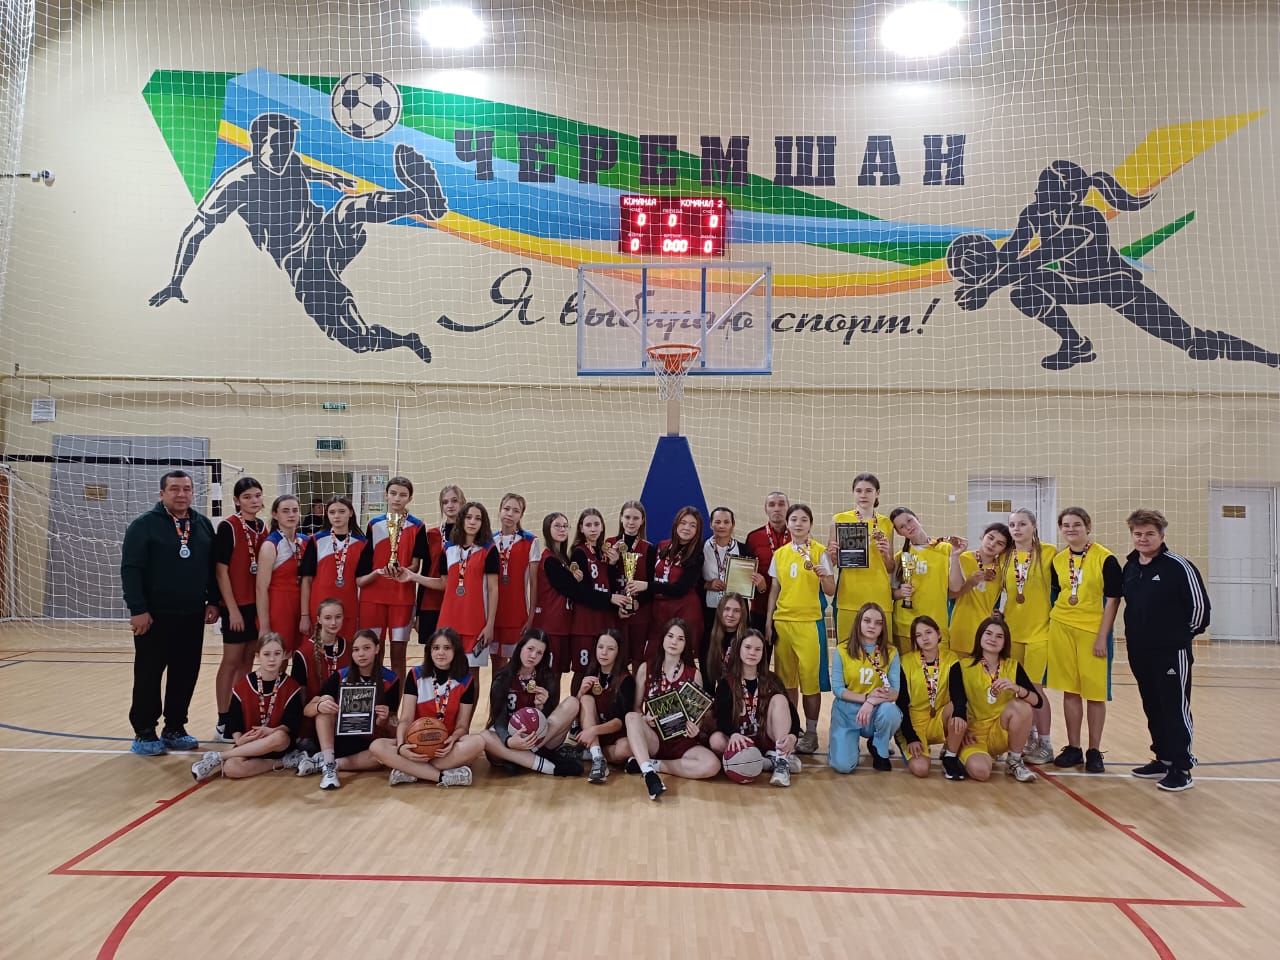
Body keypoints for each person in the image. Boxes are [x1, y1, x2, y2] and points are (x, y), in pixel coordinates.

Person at [149, 118, 444, 362]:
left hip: (326, 236)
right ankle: (407, 340)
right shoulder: (236, 183)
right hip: (300, 263)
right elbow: (196, 231)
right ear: (258, 144)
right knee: (357, 340)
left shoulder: (291, 160)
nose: (285, 148)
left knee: (347, 209)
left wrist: (330, 177)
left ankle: (422, 202)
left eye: (289, 141)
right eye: (278, 142)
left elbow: (304, 169)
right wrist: (176, 280)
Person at [121, 470, 220, 755]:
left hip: (191, 615)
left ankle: (175, 727)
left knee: (185, 673)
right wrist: (138, 609)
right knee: (149, 674)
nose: (181, 494)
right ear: (162, 493)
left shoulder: (202, 525)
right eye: (174, 489)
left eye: (186, 489)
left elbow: (212, 568)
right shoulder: (143, 525)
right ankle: (144, 732)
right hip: (154, 616)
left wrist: (213, 601)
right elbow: (131, 570)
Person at [1121, 508, 1210, 792]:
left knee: (1174, 706)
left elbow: (1200, 610)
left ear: (1161, 535)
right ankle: (1163, 758)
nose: (1143, 538)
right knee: (1153, 704)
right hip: (1139, 651)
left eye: (1149, 533)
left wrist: (1178, 638)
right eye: (1138, 534)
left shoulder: (1178, 566)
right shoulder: (1130, 567)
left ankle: (1181, 767)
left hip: (1171, 652)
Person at [1047, 507, 1123, 773]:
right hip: (1061, 627)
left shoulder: (1105, 558)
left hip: (1092, 631)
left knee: (1095, 693)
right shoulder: (1058, 560)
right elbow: (1056, 594)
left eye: (1076, 524)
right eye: (1066, 525)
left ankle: (1094, 750)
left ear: (1087, 527)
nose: (1071, 529)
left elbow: (1113, 600)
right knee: (1070, 691)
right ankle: (1073, 748)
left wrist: (1103, 636)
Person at [369, 626, 486, 787]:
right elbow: (406, 719)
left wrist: (453, 738)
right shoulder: (415, 675)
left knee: (478, 742)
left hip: (445, 747)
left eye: (447, 648)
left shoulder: (466, 680)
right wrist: (402, 746)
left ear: (456, 651)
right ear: (429, 651)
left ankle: (411, 770)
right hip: (415, 743)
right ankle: (442, 776)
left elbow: (462, 726)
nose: (440, 653)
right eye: (436, 648)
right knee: (377, 746)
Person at [764, 503, 835, 754]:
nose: (798, 523)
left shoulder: (820, 552)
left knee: (810, 684)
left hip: (809, 624)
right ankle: (793, 729)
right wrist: (769, 621)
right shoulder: (780, 554)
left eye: (803, 519)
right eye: (794, 519)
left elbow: (831, 590)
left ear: (810, 524)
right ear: (788, 523)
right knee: (787, 683)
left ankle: (812, 733)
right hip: (783, 624)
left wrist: (824, 577)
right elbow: (775, 589)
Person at [623, 618, 720, 800]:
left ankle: (654, 765)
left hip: (681, 741)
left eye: (680, 638)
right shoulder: (646, 668)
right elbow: (636, 707)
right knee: (631, 717)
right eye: (670, 636)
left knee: (712, 765)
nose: (674, 642)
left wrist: (695, 728)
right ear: (662, 639)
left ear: (686, 644)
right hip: (654, 738)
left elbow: (697, 715)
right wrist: (644, 718)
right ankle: (649, 775)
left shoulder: (694, 674)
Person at [190, 633, 305, 781]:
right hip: (250, 743)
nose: (272, 659)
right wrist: (239, 739)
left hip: (277, 743)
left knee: (280, 736)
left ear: (284, 655)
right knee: (231, 768)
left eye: (277, 654)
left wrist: (270, 731)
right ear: (257, 656)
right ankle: (284, 762)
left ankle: (219, 757)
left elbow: (291, 724)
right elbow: (234, 720)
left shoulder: (291, 686)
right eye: (266, 654)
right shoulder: (243, 685)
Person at [297, 628, 401, 789]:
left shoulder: (391, 680)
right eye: (356, 650)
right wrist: (319, 706)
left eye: (366, 648)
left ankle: (327, 764)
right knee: (325, 702)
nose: (361, 654)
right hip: (334, 740)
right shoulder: (340, 676)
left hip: (365, 744)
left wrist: (384, 719)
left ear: (377, 648)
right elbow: (307, 710)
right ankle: (328, 763)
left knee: (382, 755)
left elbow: (388, 725)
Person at [947, 617, 1042, 783]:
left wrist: (1017, 688)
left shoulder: (1013, 666)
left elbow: (1037, 702)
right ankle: (963, 756)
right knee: (981, 772)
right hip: (974, 735)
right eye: (988, 633)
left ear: (1005, 642)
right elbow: (958, 703)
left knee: (1022, 706)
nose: (993, 639)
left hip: (1001, 731)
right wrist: (963, 732)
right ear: (980, 636)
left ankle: (1014, 761)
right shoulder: (961, 666)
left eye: (999, 636)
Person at [479, 628, 583, 776]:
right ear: (520, 647)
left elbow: (551, 720)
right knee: (484, 736)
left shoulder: (547, 677)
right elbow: (499, 720)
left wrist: (542, 707)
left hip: (538, 739)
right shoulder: (503, 677)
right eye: (530, 649)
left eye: (539, 653)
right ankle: (547, 766)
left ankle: (520, 759)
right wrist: (509, 741)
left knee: (572, 703)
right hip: (510, 737)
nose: (533, 655)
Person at [711, 628, 801, 787]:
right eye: (747, 647)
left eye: (758, 649)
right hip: (741, 741)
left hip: (766, 737)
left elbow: (792, 713)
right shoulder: (727, 682)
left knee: (780, 699)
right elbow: (721, 717)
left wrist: (793, 736)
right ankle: (767, 762)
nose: (752, 653)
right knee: (716, 740)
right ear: (739, 649)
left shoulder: (772, 679)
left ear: (763, 653)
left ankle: (781, 763)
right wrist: (732, 734)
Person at [1002, 508, 1058, 764]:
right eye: (1012, 525)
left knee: (1035, 689)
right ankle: (1028, 736)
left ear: (1034, 526)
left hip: (1039, 632)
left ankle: (1046, 743)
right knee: (1015, 690)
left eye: (1022, 524)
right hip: (1012, 632)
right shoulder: (1005, 556)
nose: (1017, 529)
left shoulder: (1049, 553)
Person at [212, 476, 266, 742]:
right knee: (231, 661)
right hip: (236, 606)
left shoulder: (263, 527)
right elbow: (221, 572)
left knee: (247, 662)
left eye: (257, 495)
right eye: (247, 497)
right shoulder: (228, 527)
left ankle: (239, 713)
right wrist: (231, 609)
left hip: (256, 606)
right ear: (236, 500)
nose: (253, 501)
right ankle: (223, 719)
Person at [355, 476, 424, 681]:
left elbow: (416, 564)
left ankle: (395, 700)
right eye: (393, 493)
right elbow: (367, 563)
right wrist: (379, 572)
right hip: (373, 596)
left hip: (402, 597)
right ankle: (376, 696)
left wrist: (402, 571)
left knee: (398, 654)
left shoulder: (418, 526)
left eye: (403, 495)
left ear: (409, 498)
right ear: (386, 495)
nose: (397, 498)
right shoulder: (374, 524)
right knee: (372, 653)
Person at [829, 603, 902, 774]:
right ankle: (846, 743)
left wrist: (871, 702)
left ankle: (879, 745)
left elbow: (894, 692)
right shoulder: (842, 650)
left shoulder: (891, 652)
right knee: (843, 766)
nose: (872, 626)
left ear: (883, 627)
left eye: (878, 623)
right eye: (867, 621)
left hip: (875, 711)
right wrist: (866, 698)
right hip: (846, 713)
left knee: (890, 712)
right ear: (859, 622)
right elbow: (838, 689)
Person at [632, 507, 706, 662]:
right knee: (653, 657)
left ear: (698, 530)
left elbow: (680, 589)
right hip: (659, 611)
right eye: (683, 522)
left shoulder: (697, 554)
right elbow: (651, 579)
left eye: (692, 525)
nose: (687, 528)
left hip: (684, 610)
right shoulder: (661, 546)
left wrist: (647, 586)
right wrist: (638, 601)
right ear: (676, 524)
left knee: (681, 659)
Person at [828, 474, 895, 643]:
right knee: (847, 648)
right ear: (853, 492)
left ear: (877, 493)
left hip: (879, 594)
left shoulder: (887, 523)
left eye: (868, 491)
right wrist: (832, 555)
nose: (863, 495)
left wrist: (886, 555)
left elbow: (890, 567)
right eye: (858, 491)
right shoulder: (839, 520)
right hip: (849, 594)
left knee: (881, 649)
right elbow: (831, 563)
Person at [896, 615, 964, 780]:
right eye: (919, 635)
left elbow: (959, 695)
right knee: (921, 769)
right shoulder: (905, 662)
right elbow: (901, 704)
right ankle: (904, 740)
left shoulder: (951, 659)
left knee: (957, 707)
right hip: (914, 723)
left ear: (938, 634)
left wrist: (962, 722)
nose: (925, 638)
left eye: (928, 632)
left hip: (939, 717)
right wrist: (911, 737)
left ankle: (950, 756)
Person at [888, 508, 957, 653]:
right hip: (905, 627)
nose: (908, 527)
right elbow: (890, 593)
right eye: (902, 527)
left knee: (936, 667)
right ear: (899, 533)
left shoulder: (946, 549)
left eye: (909, 520)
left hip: (936, 626)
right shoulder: (900, 557)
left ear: (917, 518)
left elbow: (956, 588)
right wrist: (900, 593)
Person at [575, 628, 637, 783]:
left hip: (613, 733)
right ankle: (597, 757)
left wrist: (593, 730)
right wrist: (580, 693)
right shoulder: (590, 673)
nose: (604, 652)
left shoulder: (626, 680)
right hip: (594, 732)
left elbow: (619, 722)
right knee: (586, 699)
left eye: (610, 649)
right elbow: (576, 713)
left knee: (627, 748)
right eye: (600, 647)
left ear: (618, 652)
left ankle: (592, 753)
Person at [700, 507, 760, 660]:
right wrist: (707, 585)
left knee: (736, 652)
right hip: (710, 609)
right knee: (708, 651)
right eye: (717, 522)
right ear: (710, 524)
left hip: (736, 611)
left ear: (733, 525)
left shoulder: (744, 549)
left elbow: (751, 584)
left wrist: (760, 584)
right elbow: (692, 581)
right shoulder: (701, 548)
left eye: (726, 522)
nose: (722, 526)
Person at [299, 496, 366, 632]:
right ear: (327, 514)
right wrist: (304, 615)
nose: (336, 516)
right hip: (319, 607)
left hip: (348, 607)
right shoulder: (316, 540)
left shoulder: (362, 543)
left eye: (342, 511)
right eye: (332, 512)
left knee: (346, 645)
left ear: (350, 513)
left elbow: (363, 581)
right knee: (319, 644)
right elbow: (306, 580)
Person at [491, 493, 541, 672]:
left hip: (518, 613)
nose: (510, 514)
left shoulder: (531, 541)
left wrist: (531, 616)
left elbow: (534, 584)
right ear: (499, 510)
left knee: (517, 667)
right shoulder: (489, 541)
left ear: (521, 515)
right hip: (493, 614)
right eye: (506, 509)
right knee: (497, 665)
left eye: (516, 510)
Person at [604, 500, 656, 671]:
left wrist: (638, 602)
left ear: (642, 520)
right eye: (627, 517)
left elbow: (652, 584)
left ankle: (637, 689)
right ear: (621, 518)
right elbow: (603, 582)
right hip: (614, 612)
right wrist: (612, 563)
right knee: (615, 661)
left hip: (640, 613)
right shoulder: (610, 544)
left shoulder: (648, 548)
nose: (631, 522)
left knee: (638, 660)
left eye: (635, 518)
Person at [947, 523, 1013, 657]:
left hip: (986, 633)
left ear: (1004, 549)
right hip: (959, 628)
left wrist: (1001, 614)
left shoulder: (1003, 569)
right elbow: (950, 594)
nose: (992, 544)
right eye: (990, 538)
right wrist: (970, 583)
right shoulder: (962, 559)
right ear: (983, 536)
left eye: (1000, 543)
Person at [255, 494, 310, 653]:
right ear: (275, 514)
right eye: (285, 511)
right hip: (279, 607)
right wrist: (265, 625)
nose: (291, 515)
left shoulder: (306, 541)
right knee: (279, 656)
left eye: (295, 510)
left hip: (302, 605)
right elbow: (261, 588)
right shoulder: (270, 545)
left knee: (301, 654)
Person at [414, 484, 464, 645]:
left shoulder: (471, 535)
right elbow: (425, 570)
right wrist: (418, 612)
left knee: (458, 651)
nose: (450, 505)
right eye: (445, 502)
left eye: (454, 501)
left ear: (462, 503)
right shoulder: (432, 535)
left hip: (460, 600)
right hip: (431, 601)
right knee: (432, 651)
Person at [531, 512, 576, 674]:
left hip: (564, 624)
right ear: (547, 529)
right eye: (557, 526)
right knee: (548, 675)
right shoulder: (549, 559)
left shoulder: (564, 558)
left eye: (565, 526)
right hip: (551, 625)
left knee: (557, 673)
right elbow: (569, 588)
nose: (562, 529)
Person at [744, 491, 790, 633]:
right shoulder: (753, 538)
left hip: (790, 609)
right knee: (760, 647)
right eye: (772, 505)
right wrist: (759, 588)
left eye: (781, 504)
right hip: (760, 609)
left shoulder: (798, 536)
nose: (777, 508)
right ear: (765, 509)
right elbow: (745, 576)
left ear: (788, 508)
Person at [703, 592, 749, 692]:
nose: (731, 615)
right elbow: (707, 677)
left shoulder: (748, 639)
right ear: (720, 611)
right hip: (720, 693)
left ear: (742, 614)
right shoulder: (709, 638)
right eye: (727, 609)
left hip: (743, 692)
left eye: (736, 611)